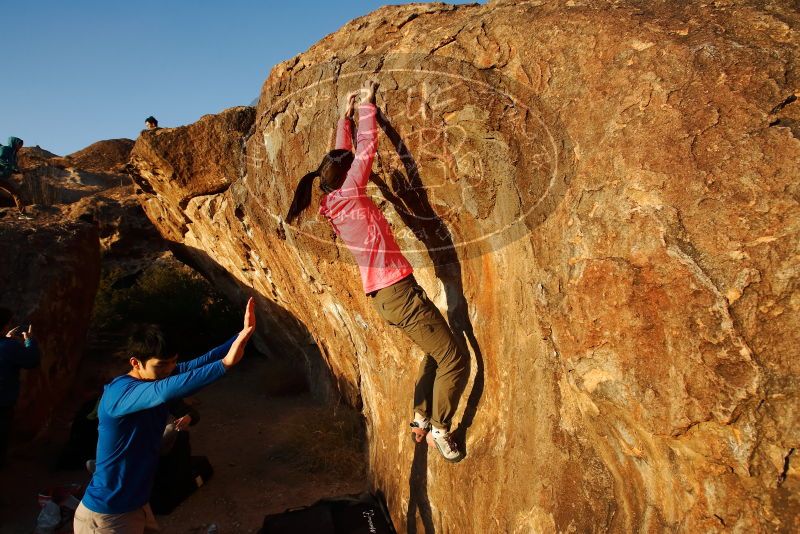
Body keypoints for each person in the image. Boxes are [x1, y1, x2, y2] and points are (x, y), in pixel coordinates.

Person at [285, 81, 468, 463]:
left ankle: (420, 417)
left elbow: (341, 156)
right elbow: (365, 151)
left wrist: (344, 116)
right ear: (346, 175)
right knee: (454, 359)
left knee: (435, 350)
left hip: (387, 295)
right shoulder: (350, 192)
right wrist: (368, 106)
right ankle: (441, 428)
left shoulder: (333, 197)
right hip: (397, 293)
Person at [73, 297, 257, 533]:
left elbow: (201, 362)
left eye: (172, 363)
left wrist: (243, 334)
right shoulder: (121, 392)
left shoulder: (157, 375)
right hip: (107, 517)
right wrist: (225, 364)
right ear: (135, 363)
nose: (168, 370)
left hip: (136, 506)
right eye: (161, 365)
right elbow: (165, 390)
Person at [0, 307, 40, 468]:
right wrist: (30, 340)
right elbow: (31, 360)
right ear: (5, 325)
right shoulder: (9, 347)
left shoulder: (7, 345)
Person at [0, 137, 28, 217]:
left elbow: (13, 166)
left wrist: (17, 170)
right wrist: (10, 166)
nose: (20, 147)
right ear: (14, 143)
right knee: (15, 193)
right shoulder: (4, 149)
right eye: (19, 145)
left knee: (15, 193)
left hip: (2, 178)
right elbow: (1, 160)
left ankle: (23, 214)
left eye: (21, 145)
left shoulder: (14, 154)